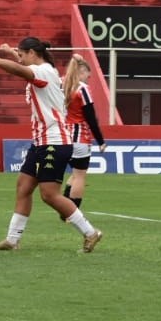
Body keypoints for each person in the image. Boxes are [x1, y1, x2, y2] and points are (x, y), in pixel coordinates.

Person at [0, 37, 103, 252]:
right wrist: (11, 52)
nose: (21, 58)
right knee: (23, 187)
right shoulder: (45, 68)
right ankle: (13, 240)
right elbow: (23, 64)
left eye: (23, 54)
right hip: (42, 141)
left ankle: (91, 233)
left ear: (33, 54)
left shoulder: (43, 72)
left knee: (49, 195)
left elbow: (21, 70)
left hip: (55, 142)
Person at [61, 54, 106, 212]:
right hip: (79, 137)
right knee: (80, 175)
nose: (89, 77)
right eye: (88, 73)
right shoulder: (82, 89)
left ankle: (64, 206)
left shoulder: (62, 84)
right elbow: (91, 118)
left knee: (74, 172)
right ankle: (72, 213)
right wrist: (101, 141)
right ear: (81, 72)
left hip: (61, 136)